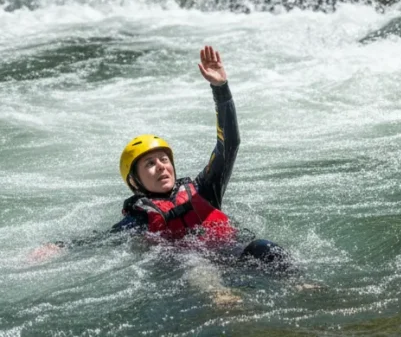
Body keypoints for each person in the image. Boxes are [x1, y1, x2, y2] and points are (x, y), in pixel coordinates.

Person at [114, 45, 288, 267]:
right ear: (134, 181)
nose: (161, 167)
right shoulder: (139, 217)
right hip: (191, 272)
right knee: (195, 264)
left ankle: (305, 287)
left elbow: (229, 145)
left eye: (164, 160)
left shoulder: (204, 190)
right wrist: (60, 247)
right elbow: (99, 242)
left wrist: (220, 88)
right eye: (150, 163)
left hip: (233, 257)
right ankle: (221, 298)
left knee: (264, 247)